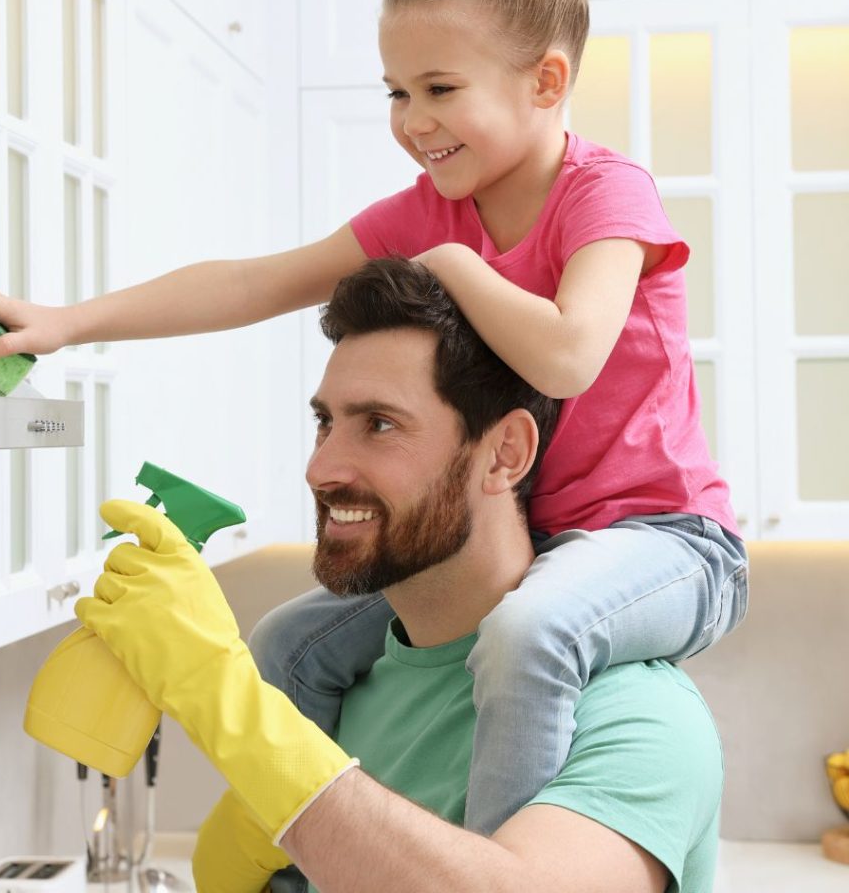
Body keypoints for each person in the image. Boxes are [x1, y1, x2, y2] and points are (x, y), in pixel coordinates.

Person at [0, 0, 746, 849]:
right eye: (397, 92)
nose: (412, 121)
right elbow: (253, 282)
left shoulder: (603, 194)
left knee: (531, 633)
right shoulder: (429, 208)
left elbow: (572, 356)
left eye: (440, 90)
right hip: (540, 544)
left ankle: (480, 868)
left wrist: (453, 265)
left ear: (546, 82)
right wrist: (66, 322)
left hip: (667, 541)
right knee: (288, 642)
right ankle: (280, 862)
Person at [76, 257, 725, 893]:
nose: (321, 468)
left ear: (505, 454)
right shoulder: (326, 686)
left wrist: (212, 685)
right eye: (325, 422)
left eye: (380, 424)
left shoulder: (636, 720)